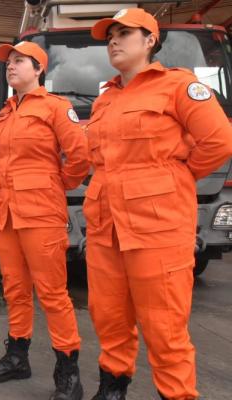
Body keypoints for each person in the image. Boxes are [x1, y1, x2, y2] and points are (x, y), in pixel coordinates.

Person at [85, 8, 232, 400]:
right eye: (109, 35)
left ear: (149, 40)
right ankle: (112, 389)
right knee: (109, 317)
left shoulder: (177, 87)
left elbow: (219, 142)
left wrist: (175, 177)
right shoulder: (105, 100)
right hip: (106, 227)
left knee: (164, 327)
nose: (113, 41)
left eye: (123, 33)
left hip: (158, 227)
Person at [0, 42, 89, 400]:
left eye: (19, 61)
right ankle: (17, 357)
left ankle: (68, 371)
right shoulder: (5, 114)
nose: (10, 67)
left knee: (53, 295)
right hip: (7, 216)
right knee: (15, 290)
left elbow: (80, 156)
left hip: (41, 214)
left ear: (38, 69)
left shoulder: (56, 108)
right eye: (8, 63)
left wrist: (55, 185)